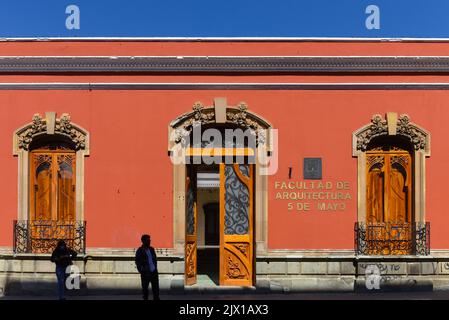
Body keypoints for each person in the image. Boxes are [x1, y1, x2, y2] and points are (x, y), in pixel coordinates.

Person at [135, 234, 160, 300]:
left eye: (150, 240)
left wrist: (155, 268)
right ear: (143, 241)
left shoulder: (152, 249)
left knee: (156, 290)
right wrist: (142, 271)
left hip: (154, 272)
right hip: (145, 273)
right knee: (145, 291)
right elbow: (137, 262)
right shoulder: (140, 250)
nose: (149, 241)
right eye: (148, 240)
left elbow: (154, 259)